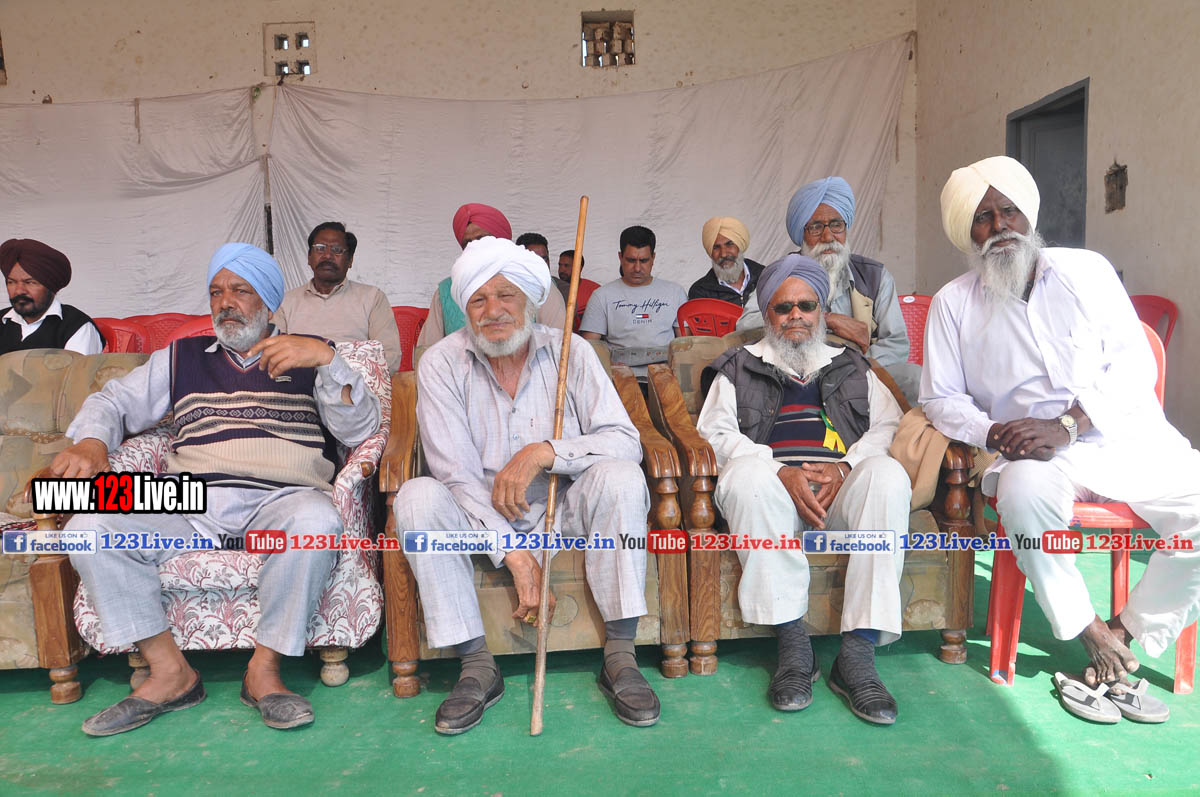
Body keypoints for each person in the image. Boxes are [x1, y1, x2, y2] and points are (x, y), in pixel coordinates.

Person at [53, 243, 381, 736]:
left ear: (268, 301)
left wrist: (329, 360)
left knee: (317, 522)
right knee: (89, 526)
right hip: (189, 502)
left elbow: (361, 431)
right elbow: (114, 401)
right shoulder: (180, 357)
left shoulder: (309, 353)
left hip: (282, 498)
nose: (226, 302)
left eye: (240, 291)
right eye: (216, 292)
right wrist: (93, 442)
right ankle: (170, 673)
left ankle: (264, 671)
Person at [923, 155, 1200, 722]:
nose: (999, 226)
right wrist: (992, 431)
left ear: (1028, 215)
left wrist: (1070, 423)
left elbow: (1132, 366)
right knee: (1023, 499)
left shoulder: (1087, 271)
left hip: (1120, 438)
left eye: (1008, 211)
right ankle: (1089, 630)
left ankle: (1122, 636)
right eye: (982, 218)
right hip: (1033, 454)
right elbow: (940, 398)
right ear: (966, 233)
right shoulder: (953, 303)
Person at [394, 236, 659, 734]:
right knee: (418, 495)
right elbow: (455, 476)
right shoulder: (441, 363)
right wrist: (516, 556)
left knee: (621, 477)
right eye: (478, 299)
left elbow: (625, 442)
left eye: (506, 295)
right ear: (464, 308)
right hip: (481, 518)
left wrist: (545, 452)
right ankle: (476, 665)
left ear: (530, 301)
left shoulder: (571, 352)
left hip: (567, 510)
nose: (493, 310)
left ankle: (621, 657)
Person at [696, 254, 909, 725]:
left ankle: (857, 655)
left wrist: (845, 468)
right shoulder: (739, 365)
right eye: (783, 307)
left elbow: (890, 427)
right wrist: (778, 471)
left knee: (888, 475)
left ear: (821, 311)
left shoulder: (852, 365)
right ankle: (795, 649)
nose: (796, 315)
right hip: (773, 497)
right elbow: (714, 433)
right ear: (767, 314)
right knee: (747, 477)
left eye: (806, 305)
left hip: (839, 493)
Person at [773, 177, 919, 403]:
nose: (828, 237)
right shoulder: (782, 275)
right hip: (799, 373)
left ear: (845, 228)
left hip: (860, 372)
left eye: (836, 225)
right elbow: (748, 323)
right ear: (802, 234)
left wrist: (850, 367)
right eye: (816, 227)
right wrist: (826, 319)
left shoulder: (875, 276)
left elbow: (896, 343)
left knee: (914, 377)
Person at [416, 204, 566, 348]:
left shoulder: (533, 282)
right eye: (468, 243)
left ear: (502, 241)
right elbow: (427, 349)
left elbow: (559, 344)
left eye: (483, 240)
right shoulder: (447, 291)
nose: (476, 247)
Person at [273, 221, 404, 371]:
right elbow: (274, 354)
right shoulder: (285, 302)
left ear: (350, 261)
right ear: (309, 257)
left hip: (354, 382)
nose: (327, 255)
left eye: (337, 250)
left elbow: (389, 355)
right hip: (300, 382)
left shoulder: (372, 298)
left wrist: (345, 376)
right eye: (320, 248)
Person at [579, 225, 687, 378]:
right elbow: (590, 348)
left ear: (653, 258)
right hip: (618, 377)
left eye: (644, 260)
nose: (637, 268)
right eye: (631, 260)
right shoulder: (602, 296)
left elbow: (685, 346)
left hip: (666, 375)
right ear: (620, 257)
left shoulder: (675, 293)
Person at [1, 238, 104, 356]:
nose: (19, 290)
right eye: (11, 282)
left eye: (30, 282)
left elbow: (77, 368)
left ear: (51, 287)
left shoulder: (76, 327)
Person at [687, 216, 764, 307]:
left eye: (729, 244)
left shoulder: (765, 277)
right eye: (716, 247)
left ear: (740, 246)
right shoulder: (700, 292)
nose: (723, 254)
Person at [516, 231, 569, 301]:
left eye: (544, 259)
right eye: (534, 260)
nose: (542, 265)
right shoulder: (509, 289)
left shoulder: (564, 290)